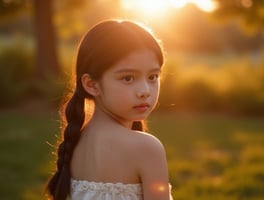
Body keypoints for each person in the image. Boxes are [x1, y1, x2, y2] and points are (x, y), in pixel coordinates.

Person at [46, 19, 172, 200]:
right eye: (128, 78)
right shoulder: (147, 148)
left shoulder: (74, 141)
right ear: (91, 84)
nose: (145, 91)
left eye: (153, 76)